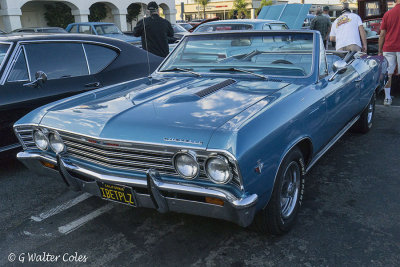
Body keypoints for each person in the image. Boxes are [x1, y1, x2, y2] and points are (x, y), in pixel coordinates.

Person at [378, 0, 400, 106]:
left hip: (389, 47)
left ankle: (387, 99)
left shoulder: (388, 14)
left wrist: (379, 50)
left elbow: (382, 34)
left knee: (388, 74)